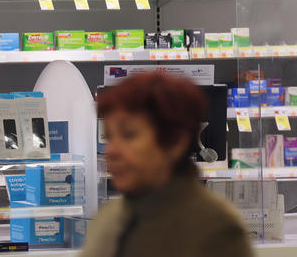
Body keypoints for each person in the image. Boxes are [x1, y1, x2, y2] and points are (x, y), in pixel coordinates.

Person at [81, 72, 254, 257]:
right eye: (109, 137)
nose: (111, 151)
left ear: (175, 141)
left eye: (129, 135)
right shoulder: (108, 219)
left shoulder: (216, 229)